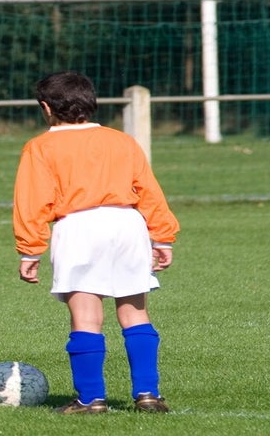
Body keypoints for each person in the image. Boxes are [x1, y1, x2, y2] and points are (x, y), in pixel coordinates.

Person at [12, 71, 180, 414]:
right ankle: (148, 394)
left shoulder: (40, 147)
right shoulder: (122, 141)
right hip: (127, 224)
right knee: (135, 312)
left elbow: (32, 200)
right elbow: (148, 190)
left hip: (79, 227)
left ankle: (91, 399)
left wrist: (30, 249)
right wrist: (162, 236)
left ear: (47, 108)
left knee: (87, 316)